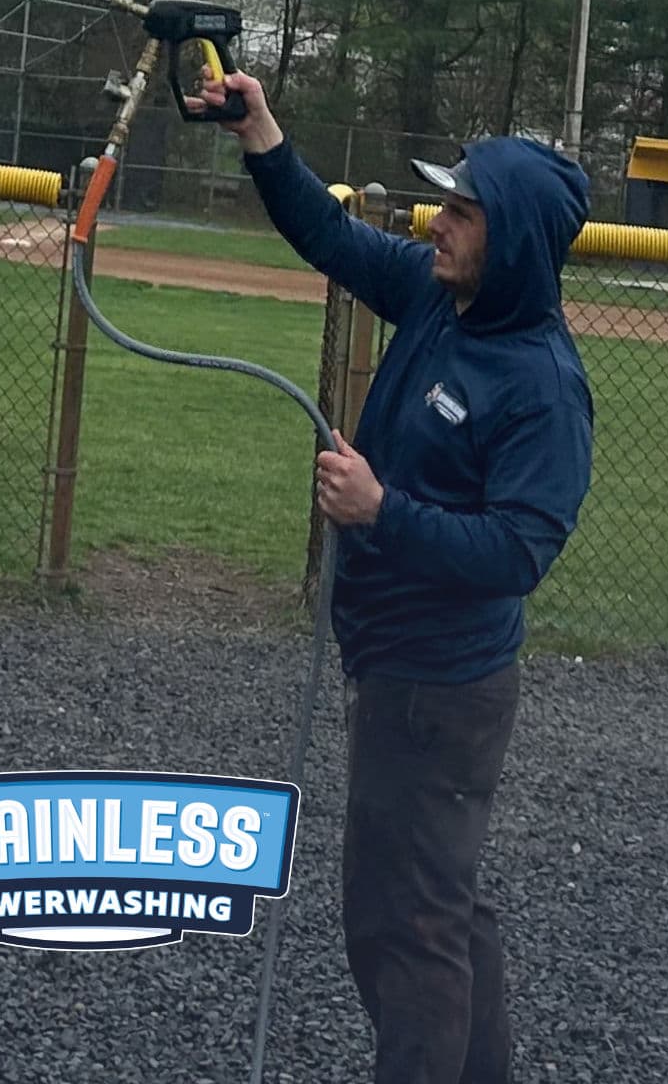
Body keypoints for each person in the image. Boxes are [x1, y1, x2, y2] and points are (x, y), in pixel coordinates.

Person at [194, 72, 593, 1084]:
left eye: (462, 210)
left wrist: (382, 510)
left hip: (441, 685)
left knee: (401, 926)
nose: (437, 221)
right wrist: (263, 132)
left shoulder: (542, 387)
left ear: (518, 241)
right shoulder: (436, 294)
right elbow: (331, 241)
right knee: (440, 901)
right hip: (399, 664)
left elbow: (518, 554)